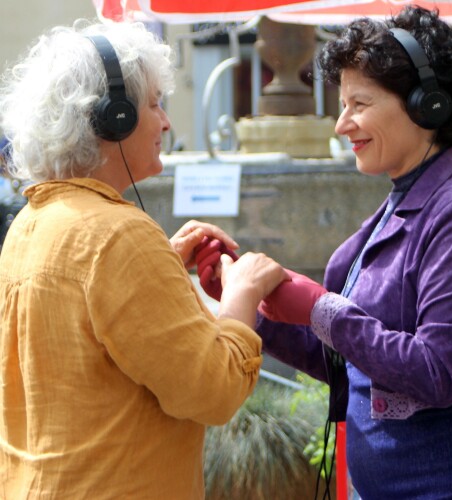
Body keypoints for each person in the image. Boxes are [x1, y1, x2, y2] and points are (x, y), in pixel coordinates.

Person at [196, 6, 452, 498]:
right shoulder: (393, 208)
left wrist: (319, 306)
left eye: (359, 103)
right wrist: (243, 300)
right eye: (343, 105)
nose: (342, 124)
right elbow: (346, 358)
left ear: (427, 106)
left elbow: (437, 371)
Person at [0, 20, 288, 499]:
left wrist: (162, 264)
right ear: (112, 117)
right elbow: (213, 391)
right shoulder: (120, 236)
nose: (166, 122)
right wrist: (243, 295)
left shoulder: (30, 223)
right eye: (154, 103)